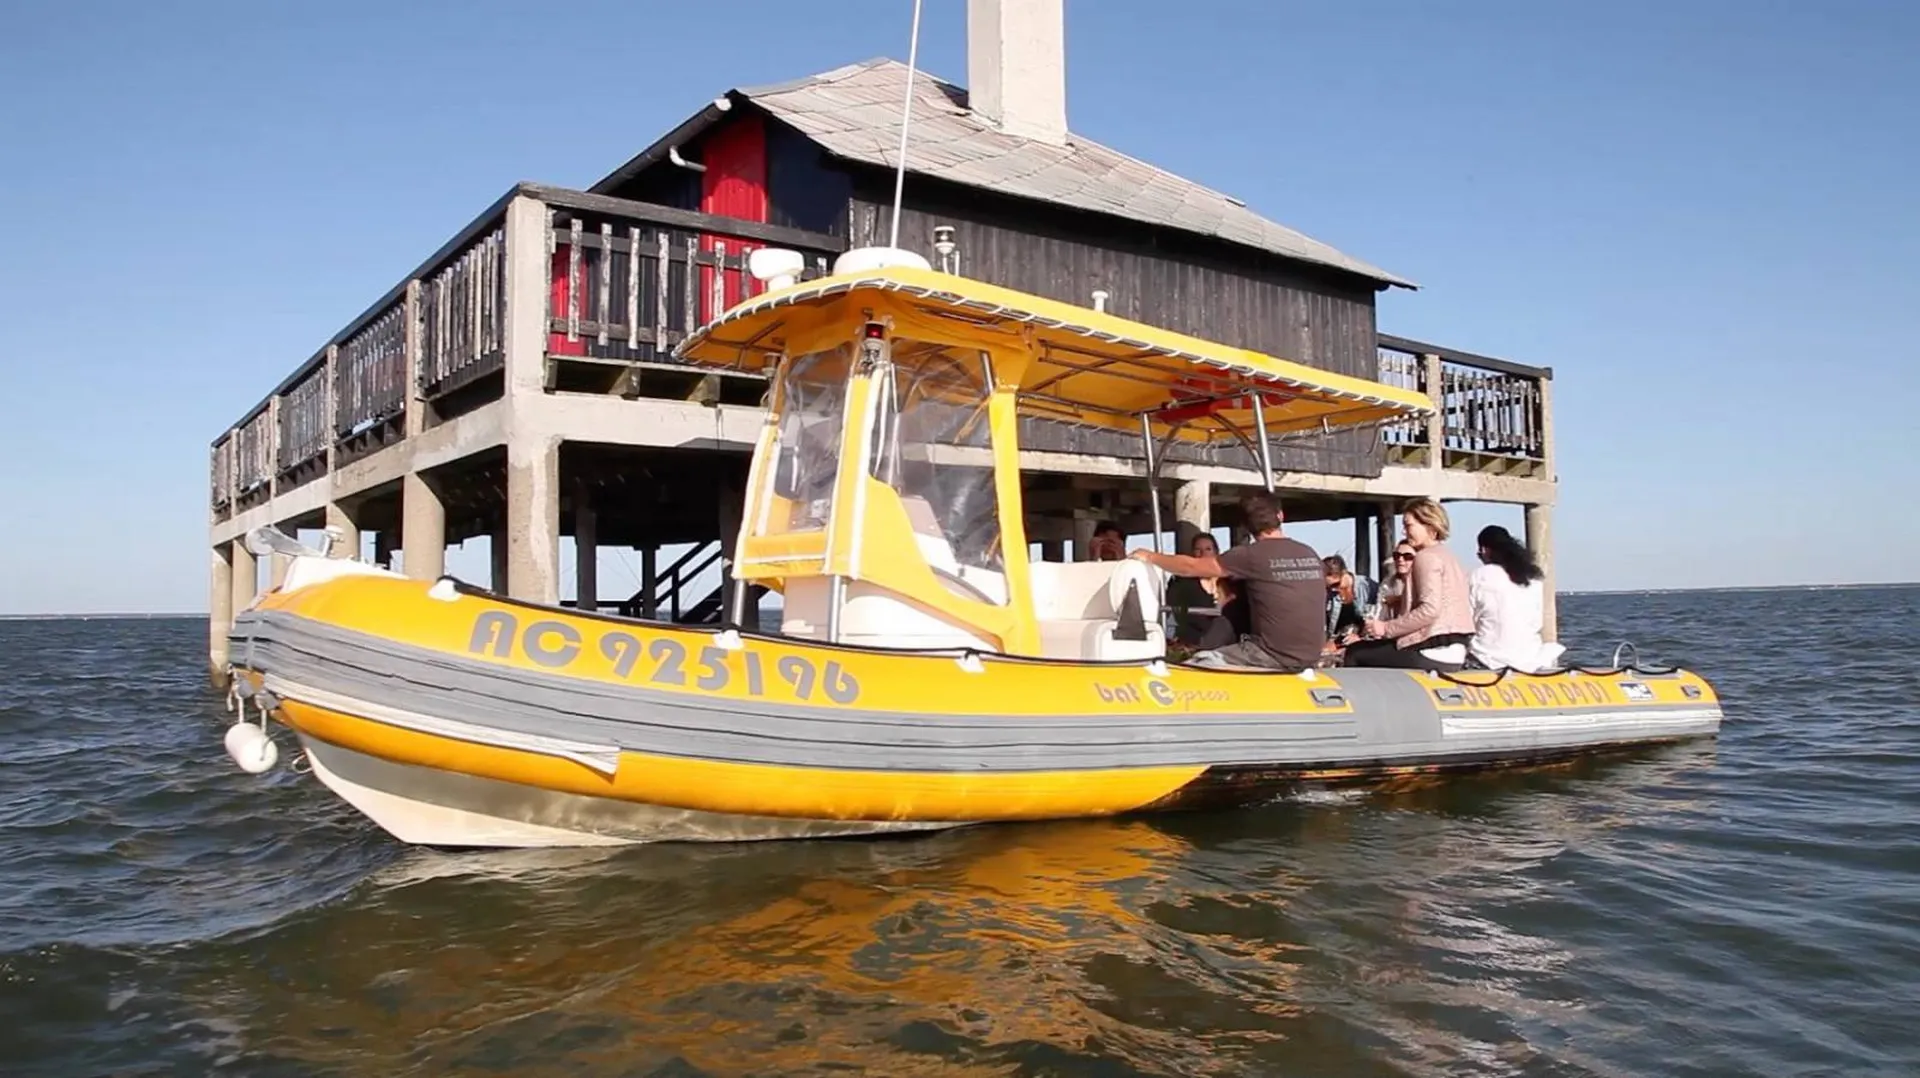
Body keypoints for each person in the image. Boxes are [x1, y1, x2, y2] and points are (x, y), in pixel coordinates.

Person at [1130, 493, 1325, 671]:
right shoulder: (1310, 553)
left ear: (1246, 526)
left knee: (1195, 664)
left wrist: (1150, 556)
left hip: (1272, 656)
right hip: (1311, 655)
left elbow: (1190, 567)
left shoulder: (1251, 555)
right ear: (1281, 516)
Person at [1344, 498, 1474, 670]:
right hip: (1456, 649)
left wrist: (1385, 628)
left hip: (1431, 647)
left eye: (1408, 525)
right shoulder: (1451, 557)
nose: (1404, 532)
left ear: (1429, 525)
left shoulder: (1425, 557)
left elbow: (1429, 610)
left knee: (1355, 652)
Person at [1467, 524, 1561, 672]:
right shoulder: (1534, 578)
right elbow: (1536, 621)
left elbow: (1466, 618)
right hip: (1529, 657)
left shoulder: (1480, 575)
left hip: (1489, 657)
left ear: (1484, 550)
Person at [1322, 554, 1378, 640]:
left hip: (1364, 640)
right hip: (1337, 639)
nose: (1333, 589)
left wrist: (1359, 636)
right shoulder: (1329, 593)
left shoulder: (1368, 587)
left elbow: (1377, 619)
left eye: (1336, 584)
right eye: (1329, 587)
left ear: (1344, 573)